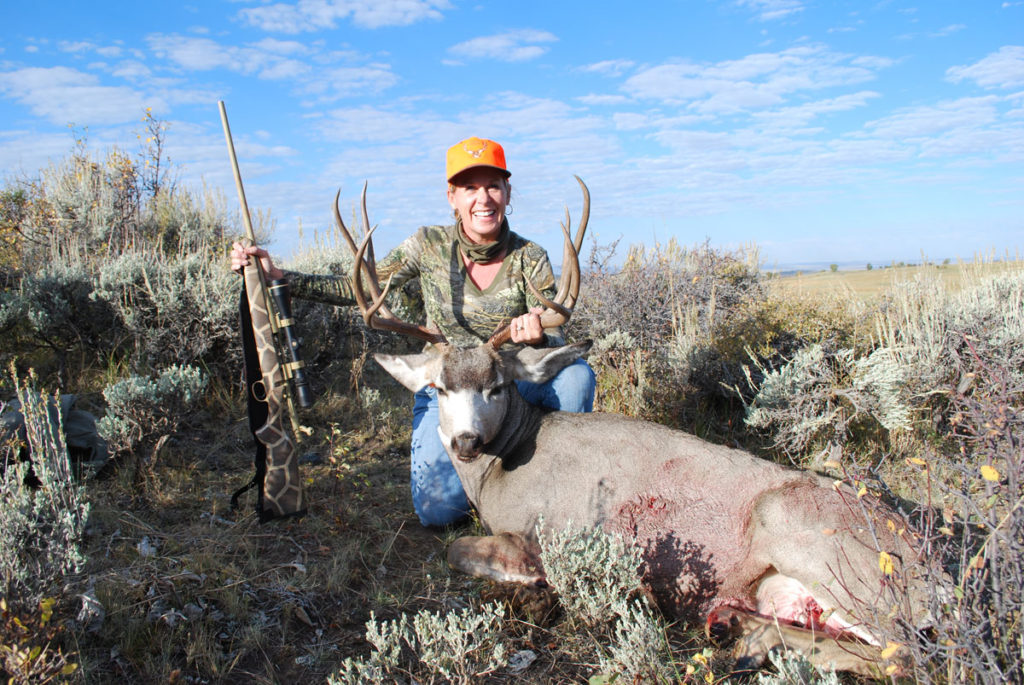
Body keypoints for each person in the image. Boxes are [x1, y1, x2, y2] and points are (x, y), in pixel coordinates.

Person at [231, 137, 596, 527]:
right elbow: (358, 287)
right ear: (452, 197)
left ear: (508, 192)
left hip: (504, 386)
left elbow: (556, 328)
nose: (483, 199)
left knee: (575, 379)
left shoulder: (529, 256)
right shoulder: (427, 245)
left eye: (493, 185)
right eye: (470, 188)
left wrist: (538, 335)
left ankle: (555, 486)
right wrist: (280, 276)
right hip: (446, 388)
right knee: (439, 512)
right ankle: (494, 471)